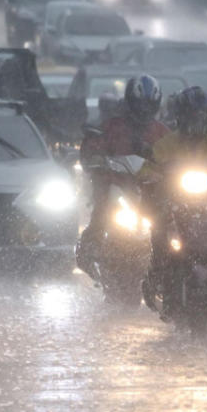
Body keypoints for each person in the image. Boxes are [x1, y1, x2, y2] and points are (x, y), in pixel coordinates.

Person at [139, 86, 207, 318]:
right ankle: (157, 272)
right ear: (181, 116)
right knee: (159, 226)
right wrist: (153, 176)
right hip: (175, 204)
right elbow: (148, 169)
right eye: (191, 115)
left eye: (201, 116)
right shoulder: (167, 144)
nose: (196, 121)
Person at [76, 74, 169, 279]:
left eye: (148, 105)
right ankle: (89, 249)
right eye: (139, 105)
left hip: (152, 190)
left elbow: (175, 155)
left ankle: (172, 260)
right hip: (116, 185)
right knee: (102, 210)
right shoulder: (112, 126)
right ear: (130, 103)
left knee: (173, 217)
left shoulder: (161, 131)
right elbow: (94, 145)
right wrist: (96, 158)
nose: (144, 110)